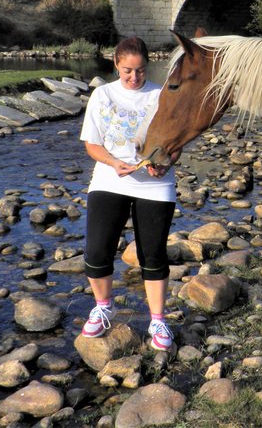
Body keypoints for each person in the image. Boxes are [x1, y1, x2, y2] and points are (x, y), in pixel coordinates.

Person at [79, 36, 180, 351]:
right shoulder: (102, 95)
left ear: (147, 66)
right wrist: (114, 162)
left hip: (156, 185)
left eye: (140, 71)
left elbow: (176, 143)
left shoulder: (162, 95)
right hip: (110, 179)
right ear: (116, 65)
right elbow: (92, 144)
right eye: (127, 71)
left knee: (153, 255)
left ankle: (158, 320)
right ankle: (103, 306)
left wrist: (164, 164)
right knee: (97, 252)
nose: (134, 78)